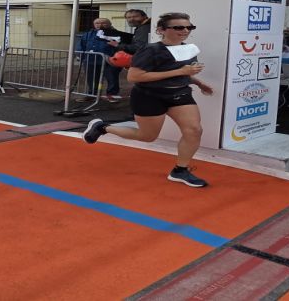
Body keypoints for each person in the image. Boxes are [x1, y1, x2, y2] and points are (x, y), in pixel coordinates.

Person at [82, 12, 214, 188]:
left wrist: (199, 83)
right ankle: (102, 127)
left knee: (194, 130)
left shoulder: (189, 48)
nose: (185, 30)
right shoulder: (150, 50)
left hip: (179, 94)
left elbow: (185, 72)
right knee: (147, 136)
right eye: (178, 27)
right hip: (149, 96)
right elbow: (134, 76)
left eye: (189, 27)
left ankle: (180, 170)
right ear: (161, 30)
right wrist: (180, 72)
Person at [77, 18, 123, 103]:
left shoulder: (116, 34)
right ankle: (92, 95)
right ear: (94, 25)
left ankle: (112, 95)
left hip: (110, 61)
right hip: (91, 60)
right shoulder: (88, 34)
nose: (100, 25)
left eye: (104, 23)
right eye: (97, 23)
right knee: (92, 79)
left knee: (112, 79)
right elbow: (81, 45)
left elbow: (123, 47)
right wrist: (80, 56)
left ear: (109, 24)